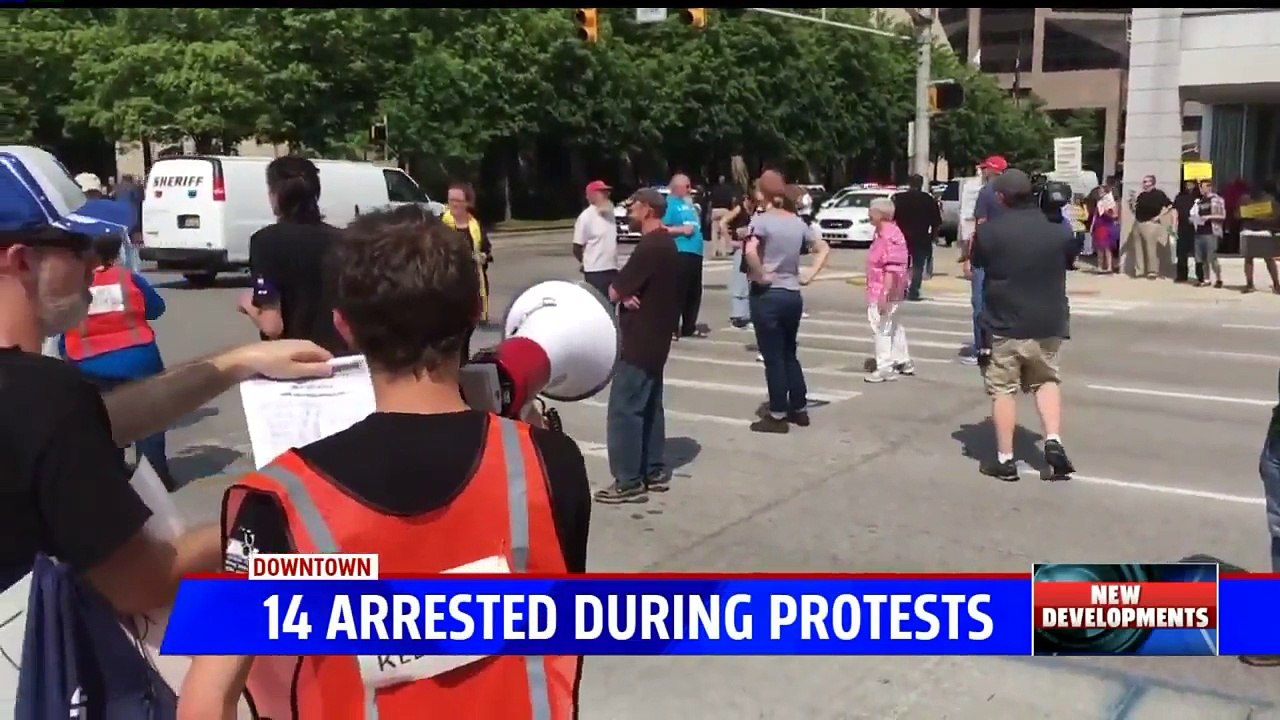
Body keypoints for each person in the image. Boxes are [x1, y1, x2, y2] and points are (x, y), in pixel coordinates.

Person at [179, 205, 589, 718]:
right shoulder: (551, 461)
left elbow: (208, 694)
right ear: (471, 313)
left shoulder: (275, 502)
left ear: (343, 325)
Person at [0, 145, 334, 612]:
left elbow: (96, 421)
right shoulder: (42, 397)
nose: (97, 264)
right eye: (80, 247)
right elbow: (148, 581)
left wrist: (239, 361)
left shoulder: (38, 403)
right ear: (20, 261)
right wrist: (276, 517)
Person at [969, 169, 1076, 482]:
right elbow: (1070, 258)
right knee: (1046, 380)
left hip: (1005, 321)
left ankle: (1005, 460)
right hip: (1049, 319)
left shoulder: (990, 231)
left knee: (1003, 390)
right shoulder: (1059, 227)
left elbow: (977, 262)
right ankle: (1053, 441)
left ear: (1001, 198)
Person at [59, 233, 176, 489]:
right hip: (138, 358)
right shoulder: (127, 278)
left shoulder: (71, 283)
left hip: (87, 362)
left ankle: (112, 477)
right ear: (116, 254)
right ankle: (157, 476)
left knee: (102, 422)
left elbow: (62, 328)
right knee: (150, 417)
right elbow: (157, 309)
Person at [596, 189, 682, 504]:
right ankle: (653, 470)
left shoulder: (649, 246)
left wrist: (622, 292)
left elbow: (614, 291)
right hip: (657, 338)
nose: (629, 213)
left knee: (625, 409)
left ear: (647, 209)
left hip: (639, 340)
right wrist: (630, 293)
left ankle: (628, 480)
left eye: (633, 207)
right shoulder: (668, 244)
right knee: (650, 406)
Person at [743, 185, 831, 433]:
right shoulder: (798, 223)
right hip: (792, 294)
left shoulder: (761, 221)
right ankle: (799, 408)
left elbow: (750, 250)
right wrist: (810, 274)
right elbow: (823, 248)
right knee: (789, 352)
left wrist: (760, 274)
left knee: (773, 357)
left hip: (767, 294)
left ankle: (777, 414)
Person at [240, 156, 348, 354]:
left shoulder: (266, 242)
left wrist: (248, 304)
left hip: (296, 358)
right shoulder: (343, 240)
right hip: (342, 355)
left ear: (275, 194)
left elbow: (272, 326)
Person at [960, 156, 1008, 366]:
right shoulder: (1014, 194)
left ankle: (982, 348)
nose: (982, 172)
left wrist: (969, 256)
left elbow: (980, 225)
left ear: (991, 171)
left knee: (980, 302)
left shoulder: (986, 193)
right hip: (1008, 255)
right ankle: (1002, 348)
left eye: (984, 169)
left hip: (986, 255)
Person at [863, 197, 914, 383]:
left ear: (881, 214)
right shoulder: (883, 233)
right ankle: (902, 360)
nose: (869, 214)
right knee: (892, 325)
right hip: (889, 288)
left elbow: (892, 268)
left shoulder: (889, 236)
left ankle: (884, 367)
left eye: (871, 210)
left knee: (881, 327)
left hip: (886, 289)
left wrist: (884, 294)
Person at [442, 181, 494, 324]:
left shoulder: (475, 225)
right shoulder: (440, 224)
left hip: (472, 282)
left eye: (458, 201)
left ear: (467, 203)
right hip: (447, 281)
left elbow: (486, 249)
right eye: (451, 200)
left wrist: (483, 256)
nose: (454, 204)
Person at [663, 173, 707, 339]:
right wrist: (680, 230)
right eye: (687, 186)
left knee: (694, 292)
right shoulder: (669, 204)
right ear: (677, 187)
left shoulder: (689, 204)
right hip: (680, 250)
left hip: (695, 252)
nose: (690, 189)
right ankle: (671, 327)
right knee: (678, 291)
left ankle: (689, 326)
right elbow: (660, 227)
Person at [892, 174, 942, 301]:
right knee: (918, 266)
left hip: (902, 236)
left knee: (902, 264)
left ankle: (901, 289)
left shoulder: (899, 198)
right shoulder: (928, 200)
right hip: (921, 236)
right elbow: (936, 221)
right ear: (921, 184)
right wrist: (934, 236)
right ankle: (913, 291)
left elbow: (892, 218)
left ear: (909, 184)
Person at [718, 184, 760, 328]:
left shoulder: (756, 210)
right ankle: (738, 315)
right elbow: (723, 222)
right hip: (741, 248)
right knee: (739, 279)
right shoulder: (739, 208)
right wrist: (730, 241)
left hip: (752, 248)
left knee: (751, 280)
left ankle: (748, 313)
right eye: (753, 200)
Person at [572, 179, 619, 300]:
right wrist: (585, 262)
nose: (606, 195)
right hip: (595, 271)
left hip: (612, 268)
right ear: (591, 196)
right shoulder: (585, 217)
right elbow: (577, 247)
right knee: (600, 302)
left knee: (612, 302)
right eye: (602, 192)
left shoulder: (610, 214)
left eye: (607, 192)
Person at [1128, 174, 1174, 279]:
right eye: (1143, 181)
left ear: (1152, 183)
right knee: (1138, 248)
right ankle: (1139, 270)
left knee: (1151, 248)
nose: (1143, 183)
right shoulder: (1141, 195)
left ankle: (1152, 271)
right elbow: (1136, 210)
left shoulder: (1159, 194)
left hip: (1150, 224)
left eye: (1145, 181)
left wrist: (1159, 216)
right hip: (1138, 223)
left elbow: (1170, 205)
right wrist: (1131, 203)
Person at [1190, 178, 1225, 288]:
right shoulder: (1199, 201)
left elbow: (1222, 216)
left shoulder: (1216, 200)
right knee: (1201, 258)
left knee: (1212, 257)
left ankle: (1219, 279)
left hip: (1211, 232)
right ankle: (1206, 278)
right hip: (1199, 231)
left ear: (1209, 187)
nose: (1201, 189)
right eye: (1200, 187)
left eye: (1203, 187)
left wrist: (1209, 217)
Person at [1089, 178, 1120, 274]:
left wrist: (1108, 211)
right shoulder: (1099, 203)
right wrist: (1092, 226)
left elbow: (1114, 214)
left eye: (1102, 192)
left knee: (1106, 248)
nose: (1100, 193)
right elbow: (1096, 215)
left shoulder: (1110, 202)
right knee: (1101, 248)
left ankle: (1108, 267)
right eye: (1099, 192)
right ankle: (1101, 266)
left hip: (1106, 225)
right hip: (1100, 225)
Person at [1173, 179, 1201, 283]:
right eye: (1187, 184)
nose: (1188, 185)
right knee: (1181, 253)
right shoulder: (1179, 197)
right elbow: (1174, 212)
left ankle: (1200, 276)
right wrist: (1173, 228)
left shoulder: (1199, 197)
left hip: (1196, 228)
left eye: (1191, 184)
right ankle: (1181, 275)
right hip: (1182, 227)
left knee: (1198, 253)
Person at [708, 174, 737, 259]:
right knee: (723, 232)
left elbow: (710, 202)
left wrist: (709, 213)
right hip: (725, 210)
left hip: (715, 210)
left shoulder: (714, 189)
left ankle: (714, 252)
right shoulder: (729, 189)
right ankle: (723, 252)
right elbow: (733, 200)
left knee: (714, 232)